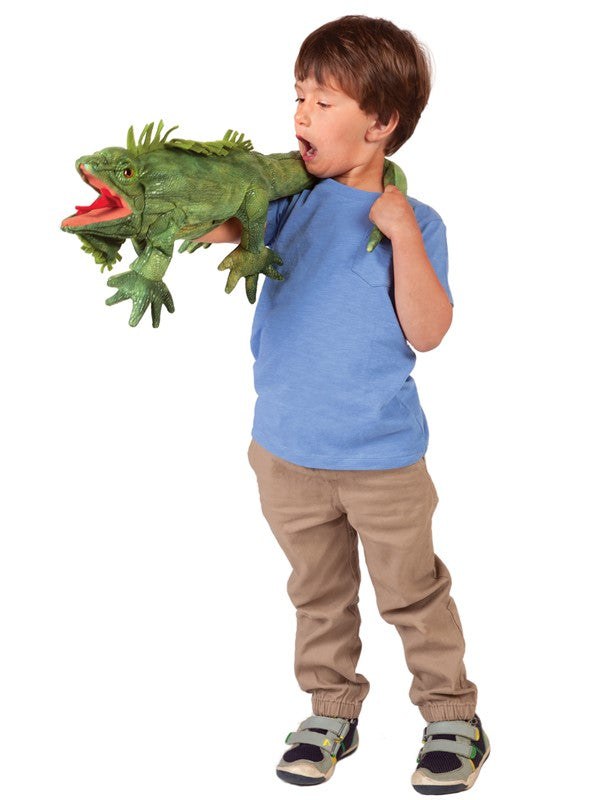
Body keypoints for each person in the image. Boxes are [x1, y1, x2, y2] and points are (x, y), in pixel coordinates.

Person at [199, 14, 490, 795]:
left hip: (381, 459)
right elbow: (215, 224)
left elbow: (428, 332)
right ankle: (332, 707)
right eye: (298, 95)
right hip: (285, 452)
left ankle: (450, 715)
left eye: (324, 101)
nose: (301, 114)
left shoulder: (416, 222)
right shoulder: (286, 207)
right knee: (317, 594)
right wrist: (181, 196)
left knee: (413, 593)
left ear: (382, 124)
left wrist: (402, 236)